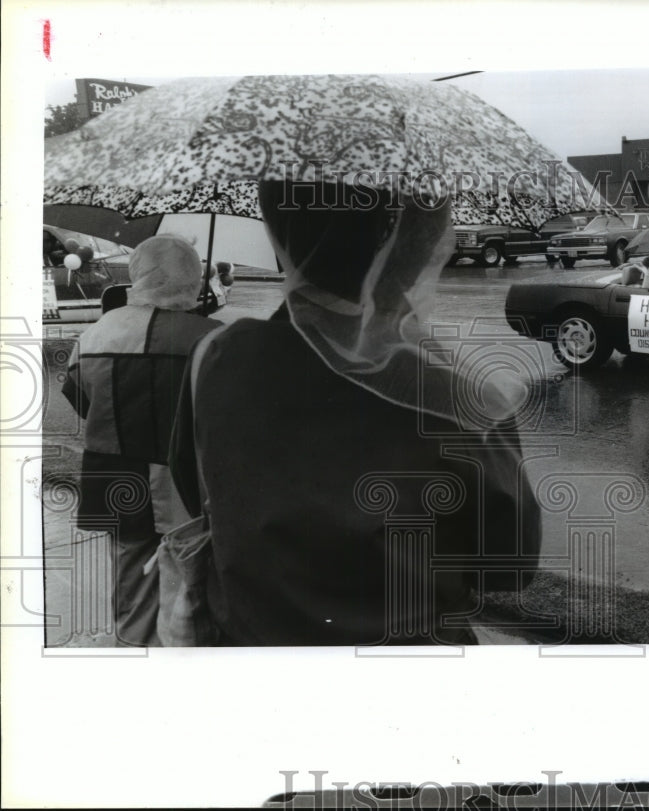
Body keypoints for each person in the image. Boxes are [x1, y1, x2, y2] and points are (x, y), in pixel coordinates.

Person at [169, 180, 542, 646]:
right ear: (407, 235)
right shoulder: (457, 392)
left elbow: (197, 491)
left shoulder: (215, 355)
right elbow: (507, 565)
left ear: (278, 230)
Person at [61, 234, 223, 646]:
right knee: (194, 588)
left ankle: (133, 663)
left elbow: (82, 402)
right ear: (191, 278)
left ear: (138, 275)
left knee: (131, 588)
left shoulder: (95, 335)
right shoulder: (215, 339)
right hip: (191, 488)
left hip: (116, 482)